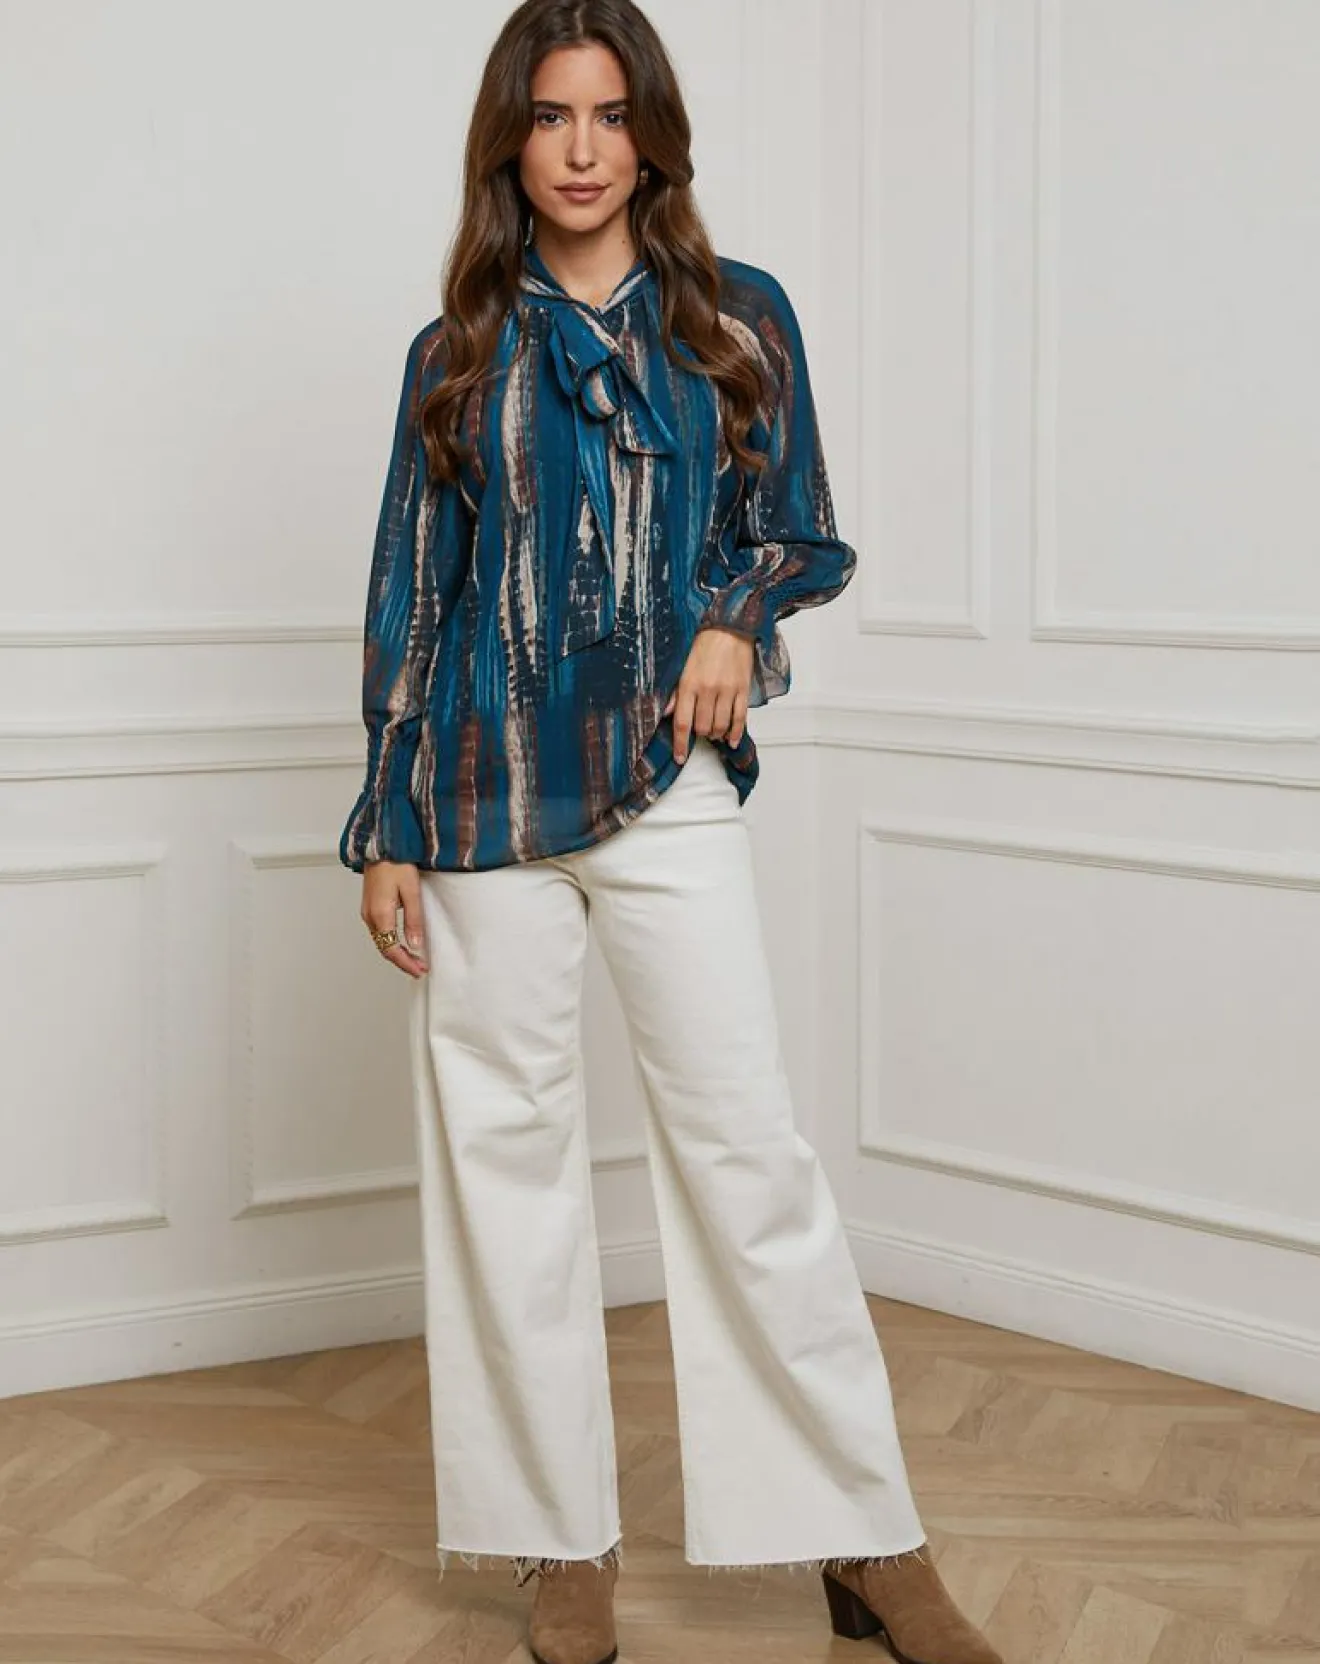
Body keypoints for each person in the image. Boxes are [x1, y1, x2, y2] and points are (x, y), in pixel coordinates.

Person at [339, 4, 1003, 1662]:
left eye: (609, 114)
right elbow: (412, 591)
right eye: (550, 116)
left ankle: (866, 1539)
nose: (581, 149)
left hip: (665, 779)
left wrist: (727, 618)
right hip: (479, 797)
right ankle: (557, 1548)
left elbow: (799, 530)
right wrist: (388, 818)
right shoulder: (454, 351)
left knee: (745, 1152)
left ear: (651, 136)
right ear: (509, 142)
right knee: (507, 1175)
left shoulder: (735, 318)